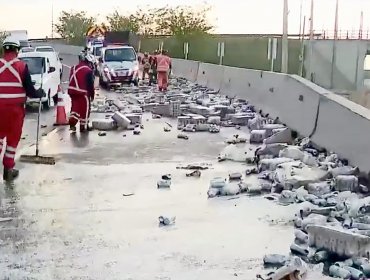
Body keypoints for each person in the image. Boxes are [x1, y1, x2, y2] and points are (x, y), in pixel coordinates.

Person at [0, 36, 45, 182]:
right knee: (12, 140)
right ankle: (8, 169)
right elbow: (30, 91)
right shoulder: (21, 66)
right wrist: (40, 93)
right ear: (17, 50)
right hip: (15, 111)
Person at [68, 51, 95, 133]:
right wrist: (92, 95)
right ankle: (83, 126)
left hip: (72, 91)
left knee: (75, 108)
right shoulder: (87, 70)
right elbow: (90, 85)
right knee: (85, 109)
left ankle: (72, 122)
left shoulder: (73, 67)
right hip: (82, 92)